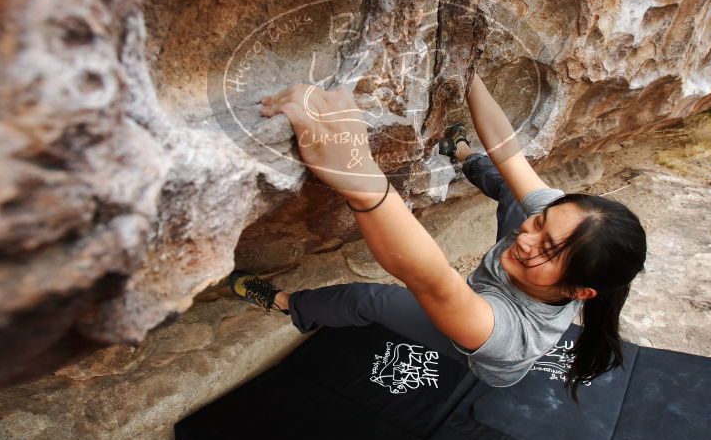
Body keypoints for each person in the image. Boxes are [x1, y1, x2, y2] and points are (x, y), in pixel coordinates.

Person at [230, 74, 647, 402]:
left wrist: (357, 172)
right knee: (509, 189)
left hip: (475, 350)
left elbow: (431, 278)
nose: (526, 236)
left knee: (368, 300)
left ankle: (288, 304)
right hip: (509, 292)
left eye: (548, 248)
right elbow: (509, 154)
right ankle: (461, 153)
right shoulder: (558, 231)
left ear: (579, 291)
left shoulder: (507, 337)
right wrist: (468, 73)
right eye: (541, 222)